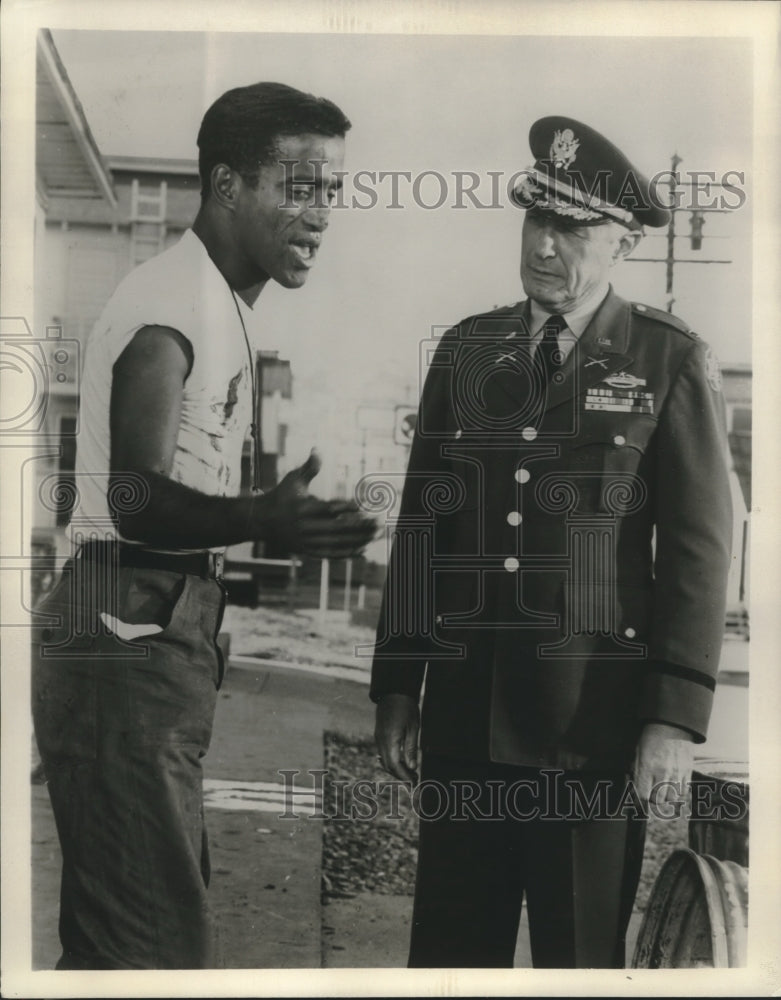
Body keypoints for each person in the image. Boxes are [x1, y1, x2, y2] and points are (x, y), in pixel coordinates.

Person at [371, 116, 733, 968]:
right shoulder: (466, 351)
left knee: (578, 962)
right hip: (464, 726)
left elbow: (696, 549)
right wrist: (397, 682)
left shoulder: (665, 360)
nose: (542, 246)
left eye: (569, 229)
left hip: (590, 739)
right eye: (534, 220)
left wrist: (672, 717)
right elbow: (425, 524)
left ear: (621, 243)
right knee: (451, 964)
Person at [32, 82, 375, 970]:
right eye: (300, 187)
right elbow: (135, 495)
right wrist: (266, 517)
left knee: (130, 938)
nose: (322, 214)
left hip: (149, 629)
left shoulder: (214, 304)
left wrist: (265, 521)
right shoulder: (173, 305)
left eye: (331, 192)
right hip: (125, 627)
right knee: (151, 949)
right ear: (227, 187)